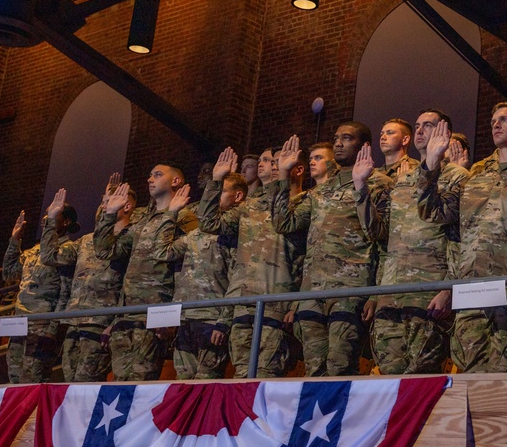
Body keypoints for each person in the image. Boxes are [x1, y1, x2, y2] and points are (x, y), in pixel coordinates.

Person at [420, 102, 507, 373]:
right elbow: (436, 215)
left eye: (505, 120)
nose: (496, 124)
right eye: (494, 120)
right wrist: (431, 167)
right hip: (471, 292)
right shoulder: (475, 174)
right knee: (470, 379)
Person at [275, 123, 393, 376]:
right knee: (315, 370)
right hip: (313, 291)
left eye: (347, 138)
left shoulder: (379, 183)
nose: (338, 143)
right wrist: (284, 176)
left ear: (363, 146)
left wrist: (376, 293)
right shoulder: (322, 189)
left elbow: (381, 238)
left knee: (340, 368)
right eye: (336, 138)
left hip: (350, 290)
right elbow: (285, 223)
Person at [371, 109, 469, 374]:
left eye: (429, 125)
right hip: (391, 293)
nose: (421, 130)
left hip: (428, 292)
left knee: (422, 382)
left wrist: (449, 289)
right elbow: (384, 236)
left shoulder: (458, 176)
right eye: (417, 126)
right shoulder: (401, 180)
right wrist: (360, 191)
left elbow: (459, 236)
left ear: (445, 134)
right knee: (387, 383)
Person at [199, 148, 298, 378]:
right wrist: (216, 181)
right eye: (263, 160)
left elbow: (305, 258)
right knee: (241, 376)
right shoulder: (248, 207)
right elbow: (208, 223)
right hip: (241, 301)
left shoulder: (296, 204)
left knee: (266, 375)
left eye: (272, 161)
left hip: (274, 302)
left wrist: (294, 305)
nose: (265, 165)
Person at [95, 163, 196, 380]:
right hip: (127, 313)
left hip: (155, 313)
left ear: (175, 181)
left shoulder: (185, 217)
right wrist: (110, 214)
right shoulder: (142, 222)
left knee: (141, 384)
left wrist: (170, 317)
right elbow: (106, 251)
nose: (150, 179)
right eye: (149, 175)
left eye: (157, 175)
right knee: (119, 385)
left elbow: (188, 269)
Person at [42, 180, 135, 382]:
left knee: (85, 387)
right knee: (68, 387)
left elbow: (130, 282)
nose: (104, 206)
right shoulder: (86, 240)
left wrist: (115, 321)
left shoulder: (131, 238)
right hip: (75, 320)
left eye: (110, 201)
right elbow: (50, 257)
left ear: (126, 205)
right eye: (103, 202)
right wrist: (51, 220)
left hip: (100, 323)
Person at [168, 173, 247, 379]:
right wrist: (170, 214)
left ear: (237, 196)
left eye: (220, 192)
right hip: (184, 318)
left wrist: (224, 321)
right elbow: (161, 253)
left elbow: (235, 281)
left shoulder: (234, 234)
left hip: (212, 319)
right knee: (182, 384)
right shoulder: (194, 234)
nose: (212, 198)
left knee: (206, 382)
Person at [2, 203, 77, 383]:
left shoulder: (69, 249)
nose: (46, 218)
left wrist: (53, 328)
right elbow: (9, 273)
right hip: (20, 322)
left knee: (33, 378)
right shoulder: (34, 250)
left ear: (66, 222)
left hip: (43, 324)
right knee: (14, 378)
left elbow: (65, 291)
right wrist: (15, 240)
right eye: (46, 213)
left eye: (53, 214)